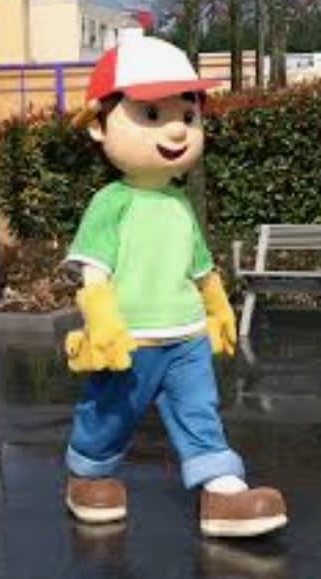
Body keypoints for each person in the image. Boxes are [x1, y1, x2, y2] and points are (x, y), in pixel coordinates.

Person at [63, 34, 287, 537]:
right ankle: (88, 474)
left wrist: (217, 309)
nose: (177, 129)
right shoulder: (111, 203)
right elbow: (93, 269)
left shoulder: (180, 203)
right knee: (111, 412)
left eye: (187, 115)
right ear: (99, 125)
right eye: (150, 114)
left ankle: (222, 490)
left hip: (186, 335)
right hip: (130, 339)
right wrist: (102, 322)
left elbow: (199, 266)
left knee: (198, 409)